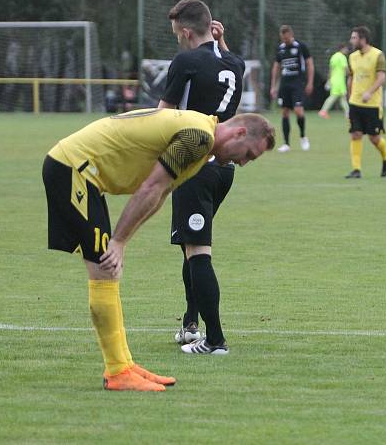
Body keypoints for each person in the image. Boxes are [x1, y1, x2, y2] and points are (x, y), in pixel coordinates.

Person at [43, 108, 275, 391]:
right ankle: (118, 372)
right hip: (73, 169)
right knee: (104, 270)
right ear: (239, 133)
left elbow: (160, 194)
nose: (244, 162)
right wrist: (118, 241)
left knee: (108, 271)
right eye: (249, 154)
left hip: (83, 173)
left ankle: (123, 365)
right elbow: (150, 188)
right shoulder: (198, 138)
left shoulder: (201, 143)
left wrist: (122, 241)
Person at [157, 0, 246, 355]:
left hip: (195, 165)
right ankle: (190, 324)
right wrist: (220, 41)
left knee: (198, 252)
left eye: (178, 33)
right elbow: (227, 59)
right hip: (223, 170)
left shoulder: (185, 62)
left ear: (187, 31)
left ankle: (215, 340)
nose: (178, 39)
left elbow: (163, 116)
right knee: (189, 246)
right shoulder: (234, 63)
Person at [345, 26, 386, 179]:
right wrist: (349, 95)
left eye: (354, 38)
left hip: (372, 105)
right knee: (355, 134)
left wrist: (369, 92)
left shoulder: (378, 55)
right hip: (355, 103)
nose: (351, 41)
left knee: (374, 138)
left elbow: (381, 78)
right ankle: (356, 170)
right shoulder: (352, 57)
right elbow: (351, 77)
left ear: (363, 39)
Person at [270, 25, 314, 152]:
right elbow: (276, 67)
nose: (285, 41)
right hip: (285, 84)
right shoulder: (281, 49)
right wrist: (273, 86)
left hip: (297, 83)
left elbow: (310, 63)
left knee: (299, 111)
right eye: (283, 39)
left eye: (287, 38)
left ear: (291, 34)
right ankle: (286, 144)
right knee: (284, 112)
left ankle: (303, 136)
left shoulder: (300, 47)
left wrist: (310, 82)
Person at [318, 43, 349, 119]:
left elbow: (331, 70)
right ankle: (323, 111)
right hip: (339, 80)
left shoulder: (333, 57)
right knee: (334, 97)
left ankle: (348, 114)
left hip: (334, 80)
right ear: (342, 49)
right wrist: (351, 74)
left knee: (342, 98)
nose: (347, 50)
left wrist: (329, 80)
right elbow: (346, 68)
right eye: (346, 49)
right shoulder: (342, 57)